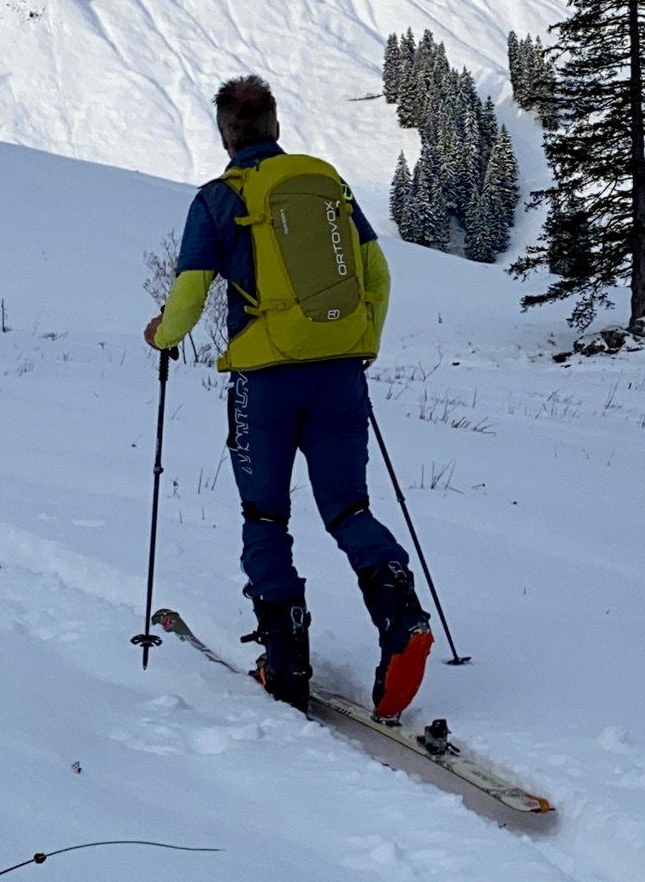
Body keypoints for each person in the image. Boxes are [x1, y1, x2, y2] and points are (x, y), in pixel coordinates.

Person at [144, 75, 433, 718]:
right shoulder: (325, 183)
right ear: (276, 126)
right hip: (339, 372)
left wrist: (163, 334)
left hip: (264, 382)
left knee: (266, 516)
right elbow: (376, 273)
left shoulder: (218, 199)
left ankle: (285, 658)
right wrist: (364, 342)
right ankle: (401, 614)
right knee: (349, 508)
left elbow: (189, 292)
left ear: (225, 136)